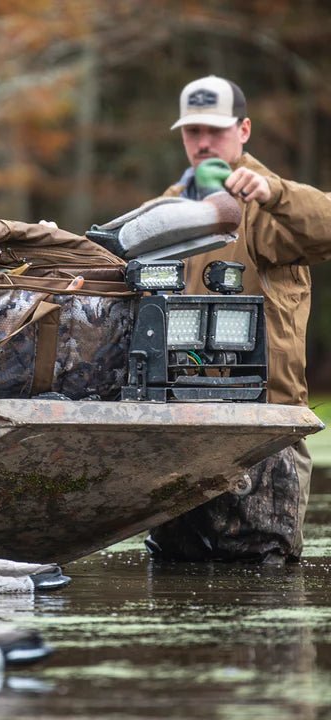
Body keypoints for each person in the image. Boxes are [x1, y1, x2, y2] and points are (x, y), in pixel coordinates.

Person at [145, 75, 331, 565]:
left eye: (216, 130)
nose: (203, 142)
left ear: (244, 130)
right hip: (183, 422)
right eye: (192, 131)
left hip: (264, 424)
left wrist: (274, 192)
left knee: (263, 576)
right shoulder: (170, 204)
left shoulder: (269, 205)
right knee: (174, 575)